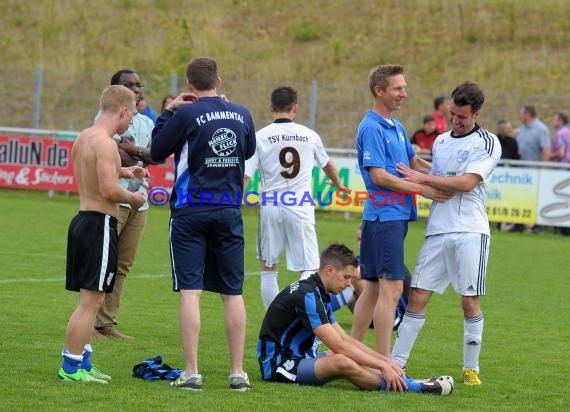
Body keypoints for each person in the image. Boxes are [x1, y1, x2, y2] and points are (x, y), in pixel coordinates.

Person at [151, 56, 256, 391]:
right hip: (228, 209)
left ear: (188, 85)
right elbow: (248, 150)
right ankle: (238, 372)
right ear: (218, 81)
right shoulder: (242, 113)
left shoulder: (185, 113)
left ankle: (192, 371)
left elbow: (156, 150)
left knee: (191, 292)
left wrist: (169, 112)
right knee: (233, 292)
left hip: (190, 210)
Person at [391, 81, 501, 386]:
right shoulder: (440, 142)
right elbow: (437, 181)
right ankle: (395, 365)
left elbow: (466, 183)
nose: (455, 120)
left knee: (469, 302)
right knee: (417, 295)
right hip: (438, 230)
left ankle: (471, 368)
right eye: (452, 113)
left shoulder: (488, 142)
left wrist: (425, 177)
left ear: (476, 113)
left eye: (462, 116)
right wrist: (422, 177)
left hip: (470, 231)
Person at [257, 243, 454, 395]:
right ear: (329, 271)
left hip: (301, 357)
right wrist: (383, 365)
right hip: (279, 366)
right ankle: (416, 388)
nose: (350, 283)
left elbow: (345, 339)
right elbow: (338, 346)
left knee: (354, 355)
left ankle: (412, 380)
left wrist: (386, 362)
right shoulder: (307, 295)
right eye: (346, 277)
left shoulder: (317, 292)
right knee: (343, 361)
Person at [352, 64, 452, 358]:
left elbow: (414, 162)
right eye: (397, 88)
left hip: (386, 218)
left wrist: (448, 178)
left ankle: (350, 351)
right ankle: (386, 363)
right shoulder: (371, 127)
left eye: (404, 87)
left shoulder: (395, 126)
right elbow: (379, 176)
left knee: (371, 289)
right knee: (392, 291)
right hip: (385, 218)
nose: (404, 94)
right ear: (378, 91)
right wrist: (424, 190)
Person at [59, 85, 147, 383]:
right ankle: (70, 367)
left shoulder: (85, 137)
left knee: (90, 301)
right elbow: (108, 190)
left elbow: (95, 173)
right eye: (132, 115)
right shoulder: (108, 144)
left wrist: (128, 171)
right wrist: (134, 198)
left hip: (83, 219)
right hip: (99, 225)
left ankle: (83, 363)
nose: (132, 121)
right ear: (122, 111)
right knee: (90, 303)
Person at [243, 85, 343, 310]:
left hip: (270, 206)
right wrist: (338, 183)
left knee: (269, 268)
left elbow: (245, 176)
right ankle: (295, 313)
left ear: (271, 107)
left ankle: (275, 318)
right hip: (299, 206)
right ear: (296, 108)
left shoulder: (259, 137)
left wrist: (232, 202)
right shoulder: (309, 135)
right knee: (309, 267)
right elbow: (328, 165)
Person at [93, 69, 161, 340]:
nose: (137, 89)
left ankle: (106, 323)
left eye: (139, 84)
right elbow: (115, 154)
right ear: (115, 91)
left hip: (139, 201)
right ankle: (89, 321)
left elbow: (157, 155)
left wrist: (134, 151)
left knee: (122, 265)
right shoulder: (103, 120)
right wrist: (139, 156)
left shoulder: (145, 121)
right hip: (114, 197)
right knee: (101, 262)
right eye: (129, 85)